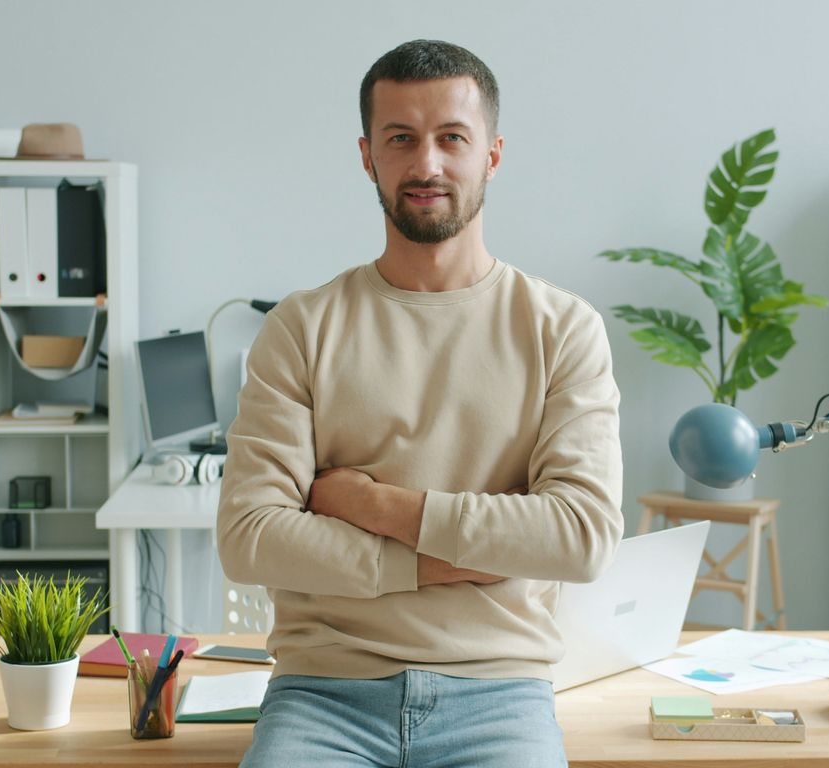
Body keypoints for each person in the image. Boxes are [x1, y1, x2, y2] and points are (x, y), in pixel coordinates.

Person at [217, 39, 623, 768]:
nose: (426, 164)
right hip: (323, 695)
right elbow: (250, 538)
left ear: (491, 155)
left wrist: (374, 507)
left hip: (499, 695)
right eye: (400, 139)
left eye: (451, 139)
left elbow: (580, 536)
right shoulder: (300, 328)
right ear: (368, 156)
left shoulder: (563, 329)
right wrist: (463, 559)